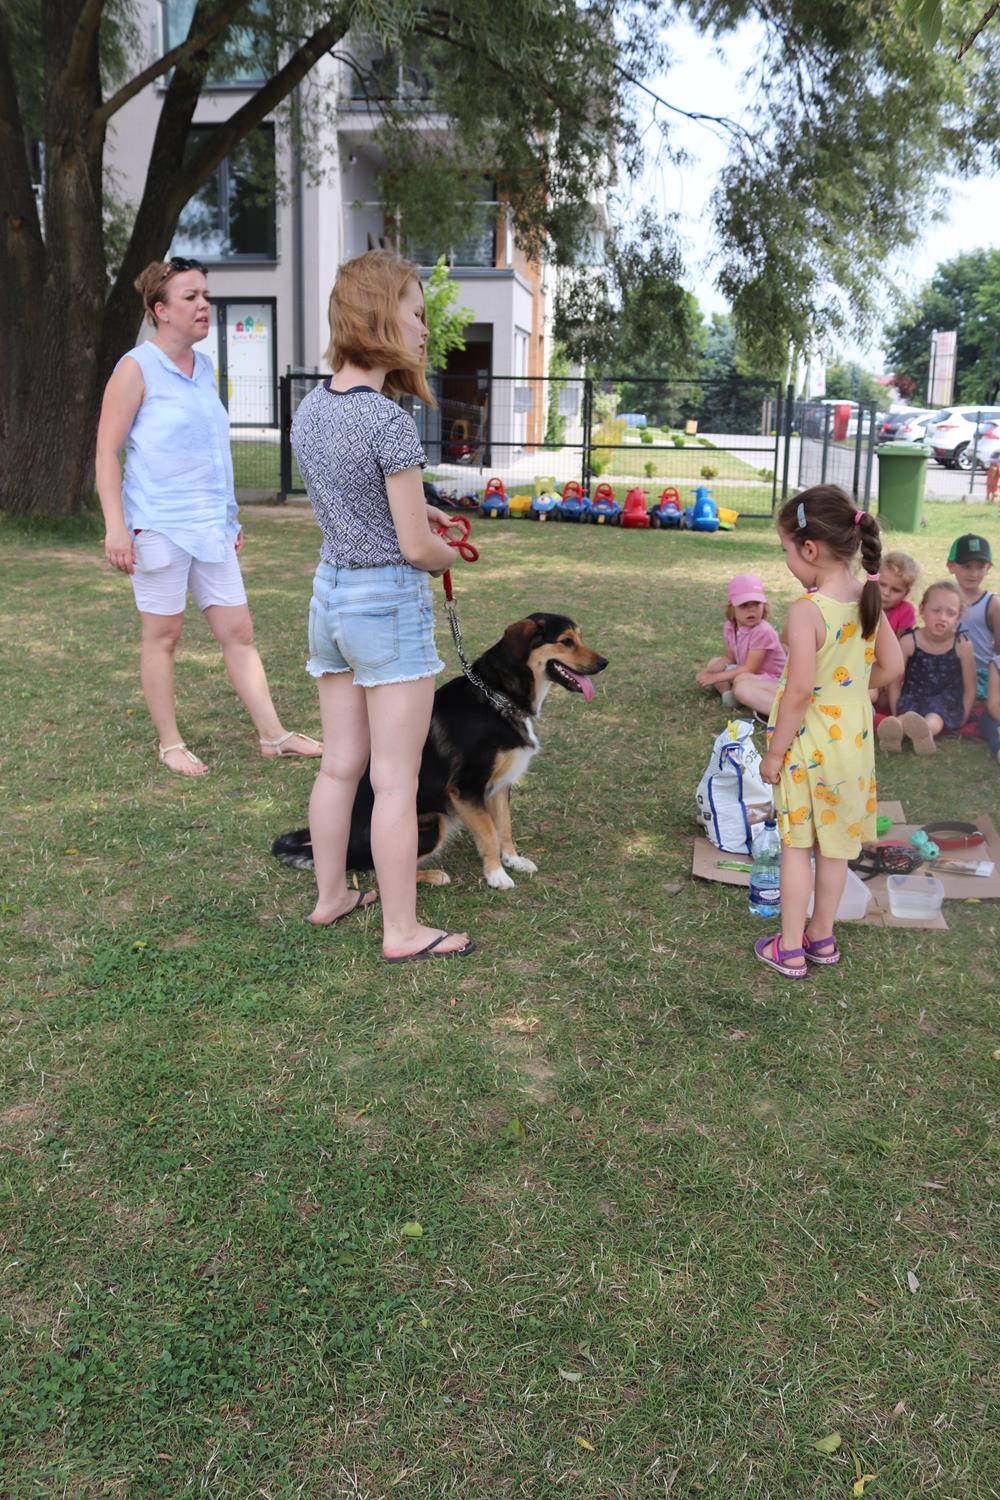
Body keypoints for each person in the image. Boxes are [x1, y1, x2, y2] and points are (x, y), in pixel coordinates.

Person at [290, 250, 475, 964]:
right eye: (417, 313)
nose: (426, 329)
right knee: (394, 779)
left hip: (330, 597)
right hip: (386, 604)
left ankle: (331, 895)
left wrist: (425, 514)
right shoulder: (389, 422)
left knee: (339, 765)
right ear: (380, 314)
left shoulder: (312, 408)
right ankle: (402, 931)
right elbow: (414, 546)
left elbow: (357, 499)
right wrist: (448, 552)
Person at [96, 258, 321, 776]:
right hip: (157, 524)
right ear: (160, 310)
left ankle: (274, 735)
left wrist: (229, 518)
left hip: (210, 528)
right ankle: (170, 743)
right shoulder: (135, 368)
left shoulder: (204, 369)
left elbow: (212, 451)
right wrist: (115, 527)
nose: (204, 305)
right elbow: (106, 452)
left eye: (205, 295)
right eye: (191, 297)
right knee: (164, 636)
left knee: (238, 631)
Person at [755, 485, 904, 978]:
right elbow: (893, 665)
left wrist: (774, 754)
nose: (786, 562)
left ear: (810, 548)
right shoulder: (868, 596)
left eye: (786, 550)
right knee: (836, 848)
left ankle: (789, 948)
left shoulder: (807, 610)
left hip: (809, 746)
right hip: (853, 747)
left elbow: (799, 691)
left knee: (798, 847)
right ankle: (822, 938)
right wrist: (853, 688)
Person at [877, 581, 976, 753]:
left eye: (950, 613)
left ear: (958, 617)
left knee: (935, 716)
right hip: (913, 695)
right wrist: (895, 710)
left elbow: (970, 686)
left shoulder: (962, 645)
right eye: (936, 610)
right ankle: (895, 730)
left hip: (945, 698)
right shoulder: (909, 641)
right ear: (922, 610)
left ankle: (925, 732)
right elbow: (894, 681)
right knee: (906, 715)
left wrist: (964, 716)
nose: (942, 617)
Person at [695, 573, 786, 716]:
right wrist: (708, 673)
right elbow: (729, 659)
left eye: (756, 604)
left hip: (774, 680)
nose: (751, 610)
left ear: (764, 605)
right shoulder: (730, 627)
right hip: (751, 674)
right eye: (744, 605)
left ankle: (738, 694)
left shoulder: (763, 632)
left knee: (740, 679)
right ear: (732, 608)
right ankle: (728, 694)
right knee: (714, 663)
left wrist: (715, 678)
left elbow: (749, 668)